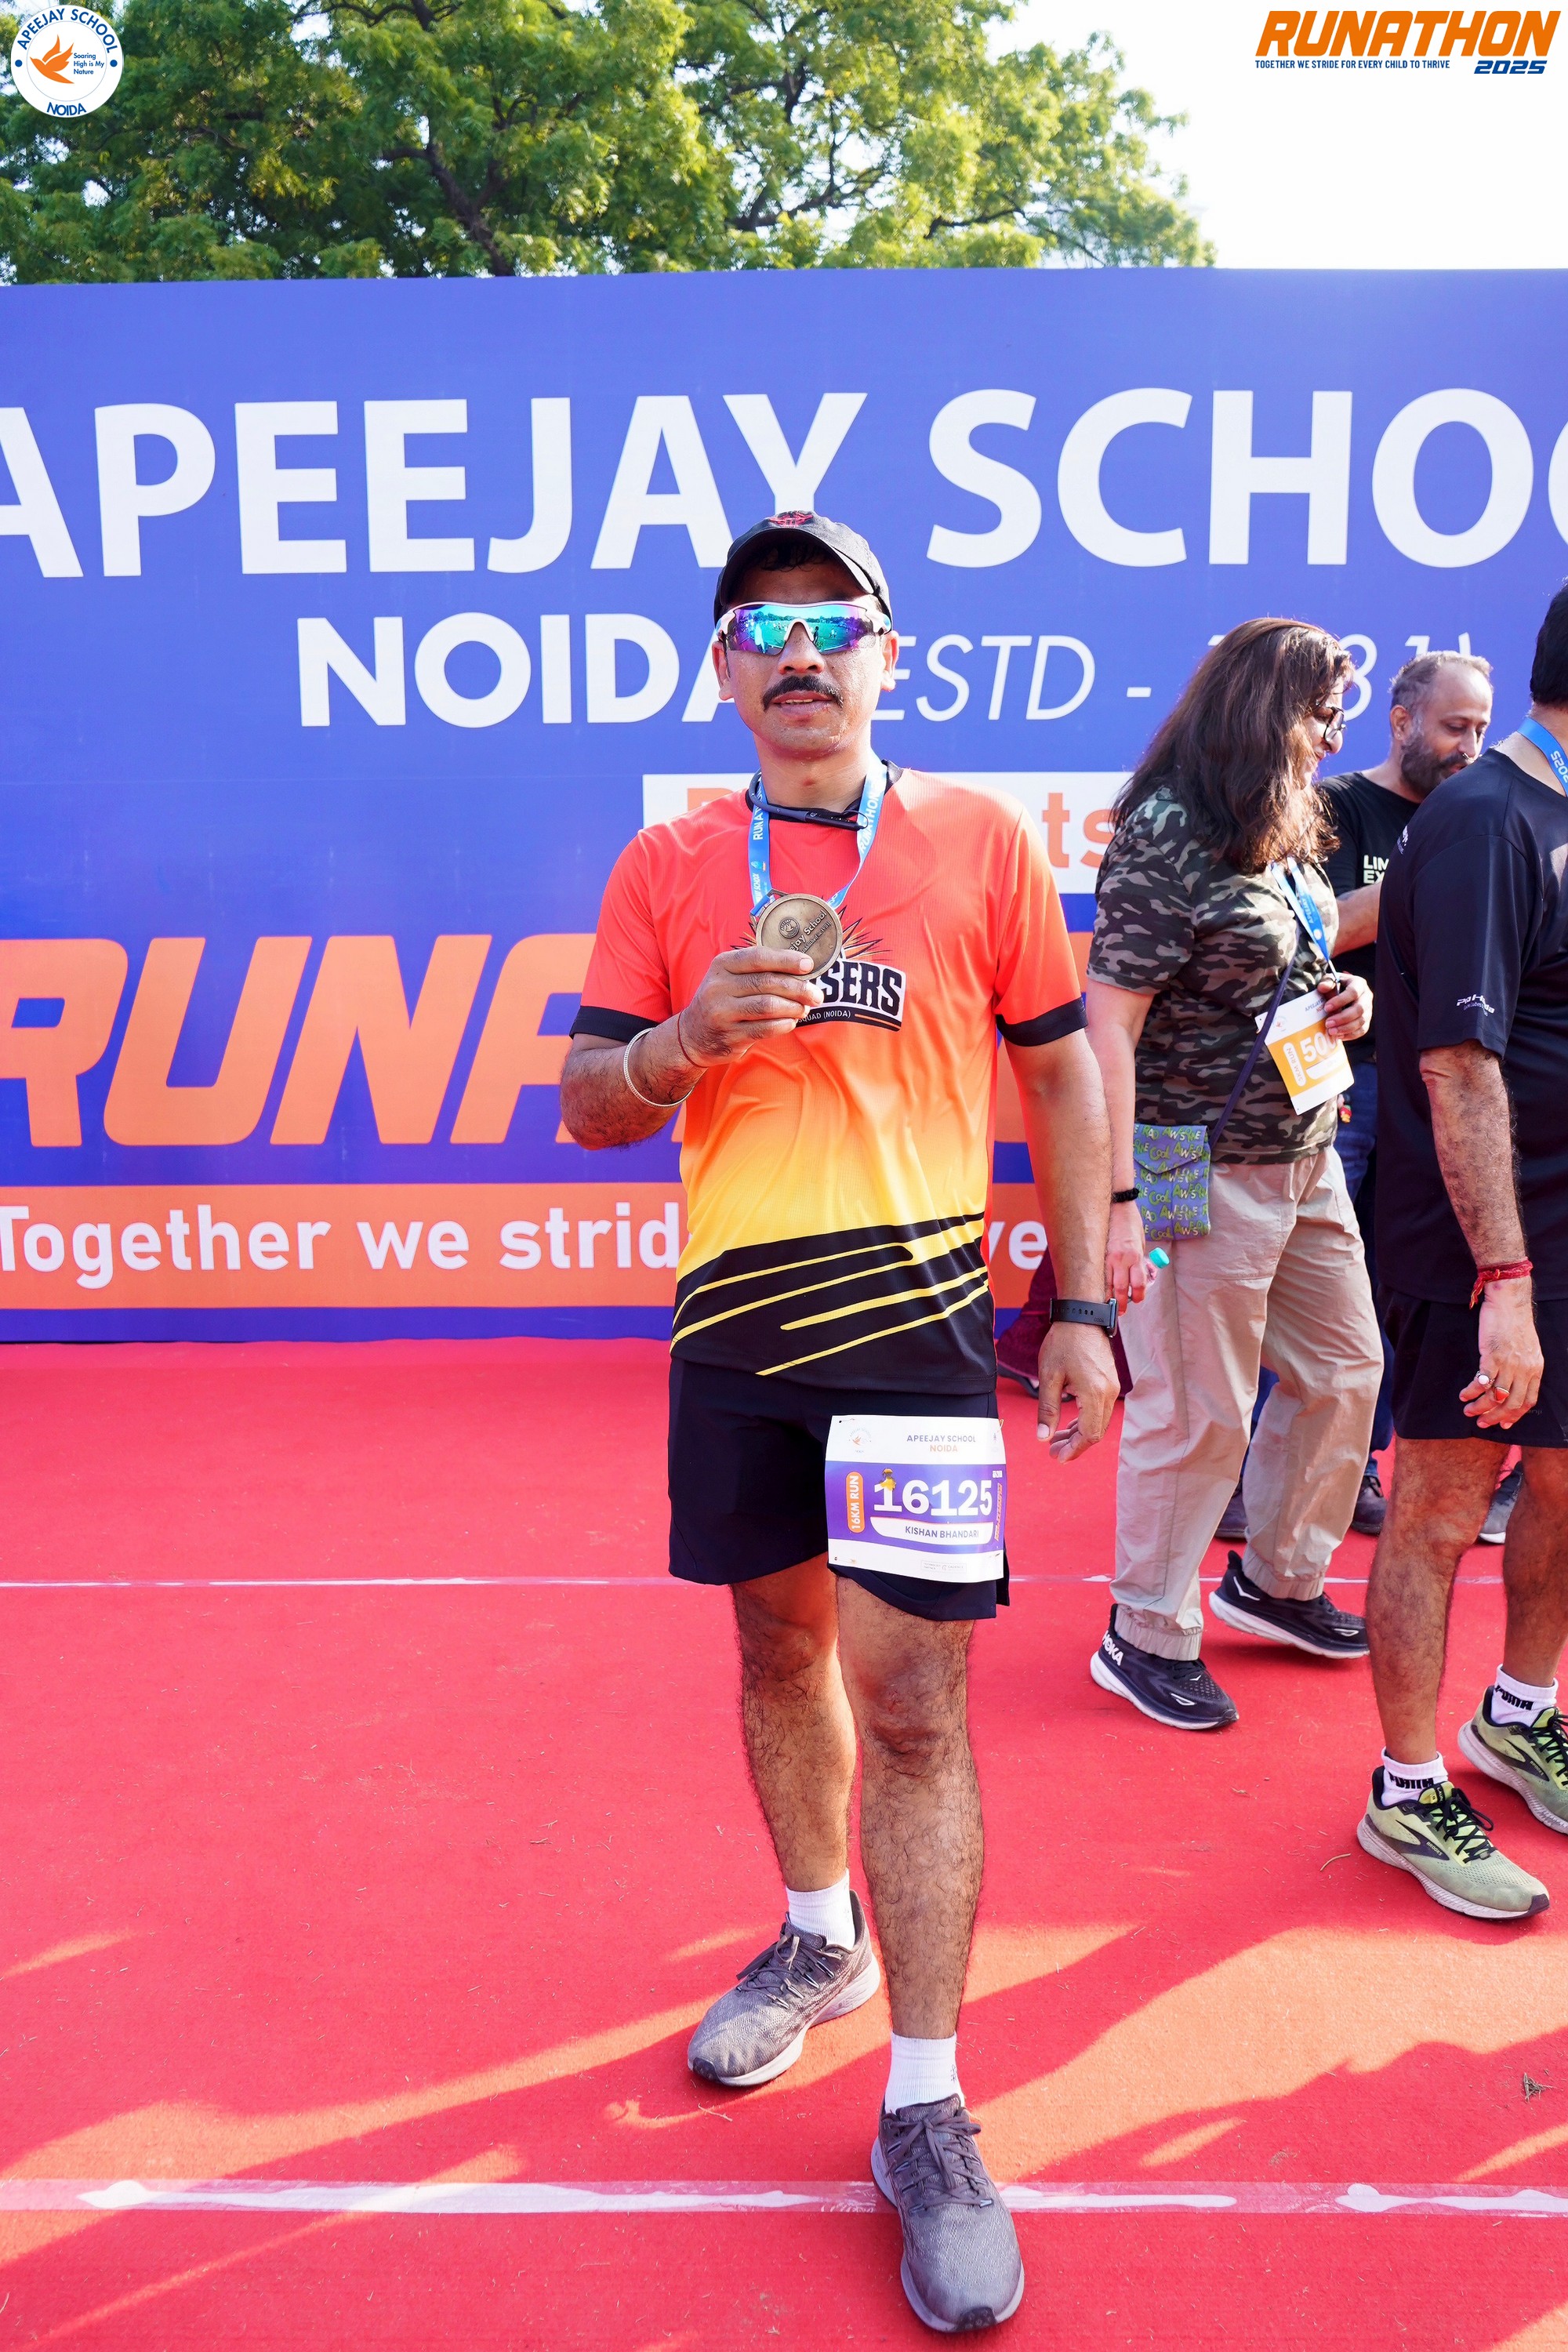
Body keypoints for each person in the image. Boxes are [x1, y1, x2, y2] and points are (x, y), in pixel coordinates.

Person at [559, 510, 1120, 2333]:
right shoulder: (664, 862)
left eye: (834, 623)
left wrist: (1085, 1301)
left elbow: (1061, 1068)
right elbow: (586, 1100)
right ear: (721, 668)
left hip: (911, 1333)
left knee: (918, 1707)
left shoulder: (980, 839)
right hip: (735, 1331)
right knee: (772, 1646)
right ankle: (818, 1935)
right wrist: (680, 1042)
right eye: (760, 626)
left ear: (891, 653)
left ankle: (926, 2107)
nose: (798, 654)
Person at [1084, 619, 1382, 1730]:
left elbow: (1288, 954)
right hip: (1184, 1159)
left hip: (1304, 1153)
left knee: (1345, 1372)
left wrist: (1343, 997)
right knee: (1197, 1410)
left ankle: (1277, 1579)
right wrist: (1120, 1199)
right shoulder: (1168, 829)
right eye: (1320, 713)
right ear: (1266, 710)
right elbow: (1107, 1027)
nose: (1335, 734)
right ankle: (1144, 1632)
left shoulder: (1285, 812)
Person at [1358, 583, 1568, 1922]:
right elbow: (1458, 1065)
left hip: (1561, 1240)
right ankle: (1406, 1786)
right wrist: (1505, 1283)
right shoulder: (1488, 820)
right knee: (1438, 1511)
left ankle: (1520, 1715)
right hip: (1476, 1248)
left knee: (1566, 1485)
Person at [1321, 651, 1495, 1541]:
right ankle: (1265, 1475)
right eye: (1454, 727)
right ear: (1401, 722)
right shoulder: (1338, 808)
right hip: (1343, 1085)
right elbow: (1312, 932)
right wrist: (1430, 867)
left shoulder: (1484, 818)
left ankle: (1360, 1465)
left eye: (1481, 729)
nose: (1470, 747)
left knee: (1402, 1289)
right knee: (1316, 1286)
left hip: (1443, 1090)